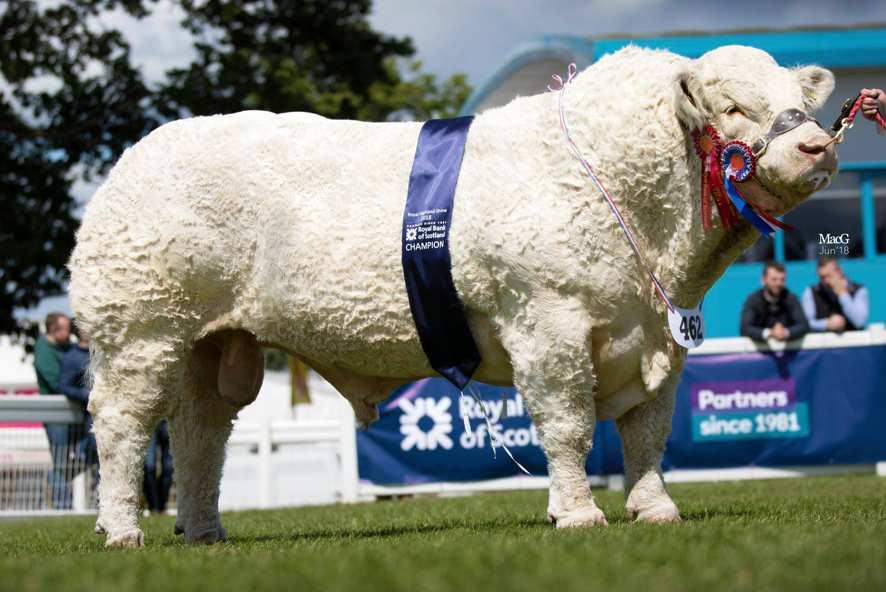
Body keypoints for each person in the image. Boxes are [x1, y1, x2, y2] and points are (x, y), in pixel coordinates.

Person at [33, 312, 72, 508]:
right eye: (65, 328)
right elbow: (56, 381)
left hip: (69, 413)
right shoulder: (44, 351)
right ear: (53, 329)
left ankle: (56, 481)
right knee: (60, 459)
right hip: (55, 415)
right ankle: (62, 504)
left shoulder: (63, 348)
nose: (70, 332)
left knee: (72, 458)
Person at [59, 323, 99, 502]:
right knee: (96, 454)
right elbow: (64, 386)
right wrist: (85, 394)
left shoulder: (102, 352)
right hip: (88, 415)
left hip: (107, 412)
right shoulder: (72, 357)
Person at [740, 261, 809, 342]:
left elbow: (804, 325)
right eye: (774, 279)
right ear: (763, 280)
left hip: (789, 352)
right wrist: (769, 333)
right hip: (760, 352)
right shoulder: (753, 299)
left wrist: (785, 332)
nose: (778, 283)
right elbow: (745, 328)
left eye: (782, 280)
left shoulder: (791, 298)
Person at [802, 256, 868, 332]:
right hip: (823, 342)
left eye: (829, 276)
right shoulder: (811, 292)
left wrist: (842, 294)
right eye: (822, 277)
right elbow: (806, 323)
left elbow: (859, 322)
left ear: (840, 271)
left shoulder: (859, 290)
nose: (826, 281)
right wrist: (827, 324)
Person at [143, 420, 173, 515]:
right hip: (149, 419)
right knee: (149, 466)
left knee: (169, 468)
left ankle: (162, 505)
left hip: (167, 420)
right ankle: (153, 505)